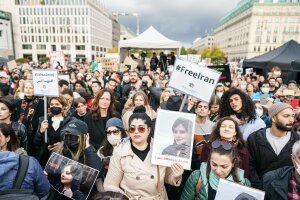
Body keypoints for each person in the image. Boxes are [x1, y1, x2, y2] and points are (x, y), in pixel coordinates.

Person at [104, 106, 184, 199]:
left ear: (149, 130)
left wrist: (177, 176)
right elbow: (110, 185)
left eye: (141, 128)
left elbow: (167, 176)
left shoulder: (161, 148)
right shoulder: (120, 151)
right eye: (132, 129)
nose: (136, 132)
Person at [247, 102, 300, 189]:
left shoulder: (297, 140)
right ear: (274, 118)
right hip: (260, 189)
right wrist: (258, 187)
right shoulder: (255, 138)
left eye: (293, 116)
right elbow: (250, 165)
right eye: (286, 116)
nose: (291, 120)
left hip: (287, 191)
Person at [180, 140, 250, 200]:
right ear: (209, 160)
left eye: (224, 166)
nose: (218, 171)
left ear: (233, 164)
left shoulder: (244, 184)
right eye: (214, 164)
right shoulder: (196, 176)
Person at [34, 96, 75, 166]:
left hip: (63, 158)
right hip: (45, 157)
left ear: (63, 106)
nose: (54, 106)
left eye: (57, 104)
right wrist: (41, 131)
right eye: (52, 104)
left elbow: (73, 142)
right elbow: (36, 142)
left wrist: (61, 145)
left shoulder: (70, 121)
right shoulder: (44, 120)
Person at [15, 80, 44, 156]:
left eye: (31, 88)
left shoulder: (42, 103)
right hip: (20, 136)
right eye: (26, 87)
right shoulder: (18, 103)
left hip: (35, 136)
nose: (28, 90)